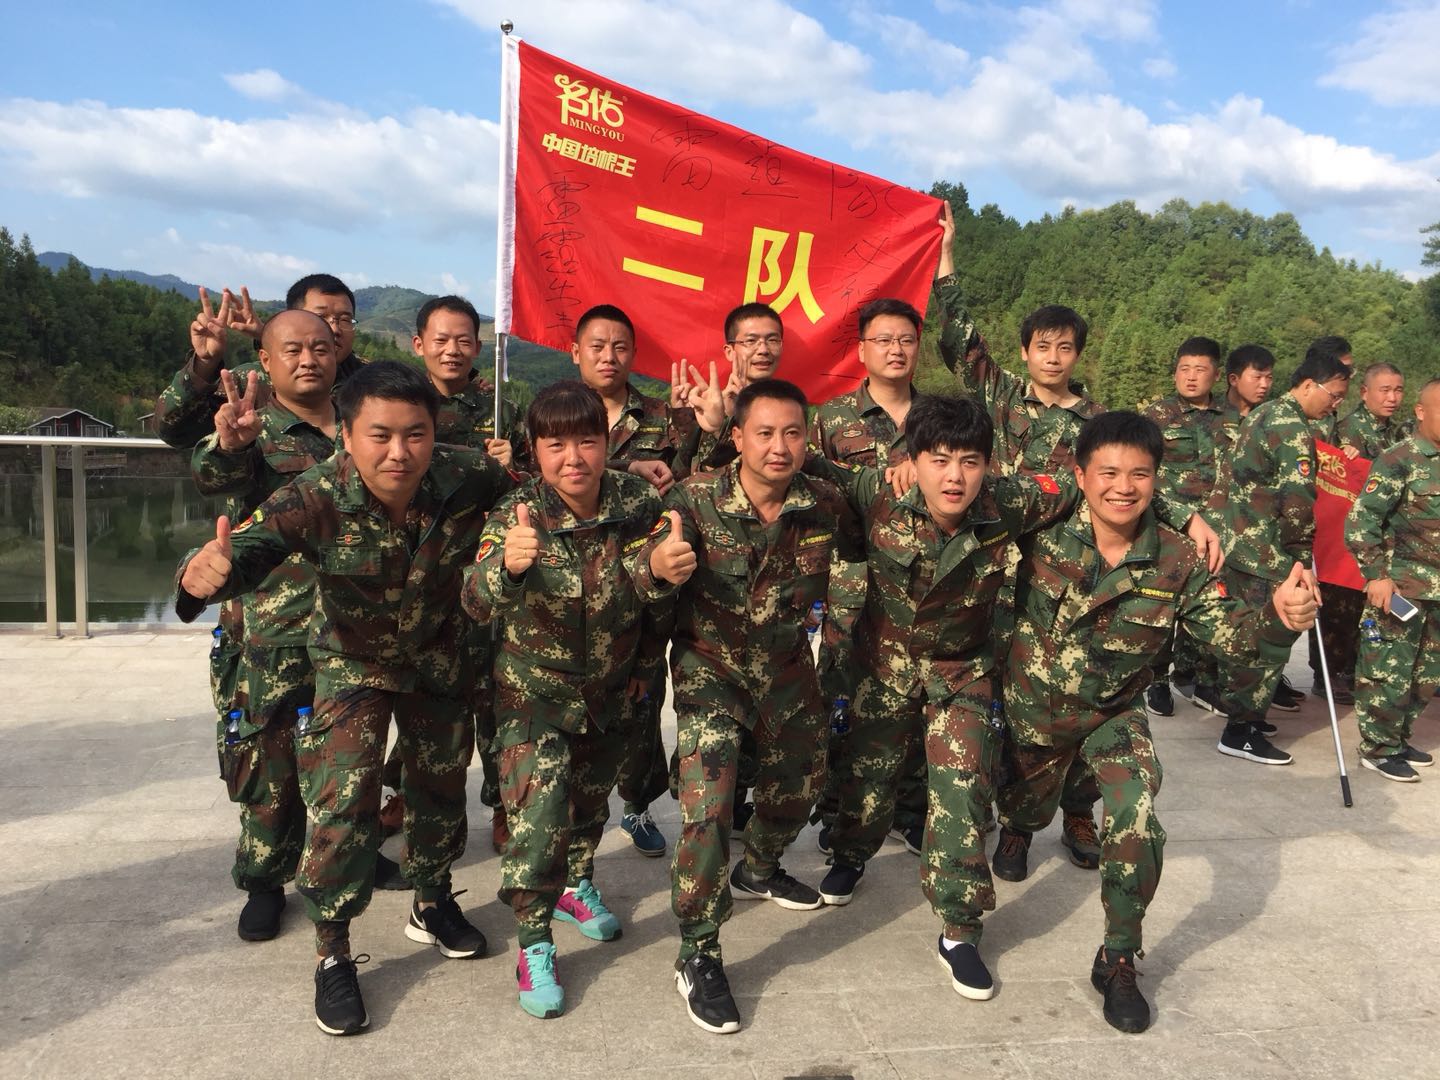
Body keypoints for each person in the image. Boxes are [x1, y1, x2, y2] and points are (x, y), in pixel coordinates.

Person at [174, 361, 514, 1037]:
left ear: (435, 432)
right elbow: (249, 549)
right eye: (380, 435)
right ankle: (332, 949)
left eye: (415, 434)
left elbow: (527, 505)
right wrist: (201, 575)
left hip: (440, 656)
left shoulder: (471, 474)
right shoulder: (316, 493)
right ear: (348, 437)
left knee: (439, 787)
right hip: (352, 661)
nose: (399, 452)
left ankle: (432, 899)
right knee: (342, 797)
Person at [996, 411, 1317, 1033]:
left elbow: (1234, 642)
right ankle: (1020, 825)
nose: (1123, 487)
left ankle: (1119, 956)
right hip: (1035, 710)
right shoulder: (1042, 529)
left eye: (1139, 475)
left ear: (1157, 480)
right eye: (1108, 473)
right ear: (1080, 476)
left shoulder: (1178, 558)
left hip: (1113, 713)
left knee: (1136, 813)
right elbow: (973, 497)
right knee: (1025, 804)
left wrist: (1279, 618)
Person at [636, 378, 861, 1035]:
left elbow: (874, 534)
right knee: (708, 811)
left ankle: (759, 867)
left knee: (802, 785)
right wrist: (656, 569)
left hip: (788, 672)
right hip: (711, 672)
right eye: (764, 432)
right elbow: (640, 575)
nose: (779, 446)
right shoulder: (692, 500)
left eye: (793, 433)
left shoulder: (825, 503)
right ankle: (698, 951)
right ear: (736, 437)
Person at [461, 381, 670, 1018]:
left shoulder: (636, 501)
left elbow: (657, 595)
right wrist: (508, 568)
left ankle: (576, 884)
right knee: (539, 819)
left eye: (586, 441)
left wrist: (644, 664)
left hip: (610, 691)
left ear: (607, 443)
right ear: (534, 450)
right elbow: (474, 599)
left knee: (587, 806)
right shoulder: (516, 513)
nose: (573, 458)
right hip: (533, 695)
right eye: (556, 445)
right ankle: (534, 942)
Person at [934, 201, 1107, 874]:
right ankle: (1014, 825)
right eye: (1043, 346)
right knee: (1004, 707)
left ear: (1077, 354)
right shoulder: (1002, 398)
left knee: (1076, 701)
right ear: (1026, 351)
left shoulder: (1096, 423)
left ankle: (1079, 812)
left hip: (1067, 585)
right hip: (997, 579)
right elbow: (961, 340)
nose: (1053, 357)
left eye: (1065, 348)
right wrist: (947, 260)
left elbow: (1130, 485)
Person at [190, 310, 341, 942]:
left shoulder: (362, 422)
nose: (308, 359)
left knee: (342, 761)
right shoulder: (253, 424)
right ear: (267, 360)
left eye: (320, 348)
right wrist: (230, 445)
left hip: (351, 624)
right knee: (267, 760)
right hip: (273, 626)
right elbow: (212, 475)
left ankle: (342, 861)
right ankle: (264, 880)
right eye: (293, 349)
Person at [375, 294, 525, 867]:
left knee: (491, 697)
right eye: (441, 339)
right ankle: (403, 794)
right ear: (419, 345)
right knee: (419, 697)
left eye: (464, 340)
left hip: (481, 569)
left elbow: (530, 487)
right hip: (415, 572)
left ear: (479, 347)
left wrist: (510, 464)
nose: (452, 350)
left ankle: (504, 804)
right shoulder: (402, 403)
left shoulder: (499, 407)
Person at [568, 303, 700, 857]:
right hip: (570, 584)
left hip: (645, 580)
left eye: (620, 346)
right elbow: (537, 477)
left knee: (642, 700)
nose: (609, 356)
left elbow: (690, 480)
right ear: (576, 352)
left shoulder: (662, 416)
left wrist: (698, 427)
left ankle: (637, 805)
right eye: (597, 346)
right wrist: (625, 469)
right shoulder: (557, 412)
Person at [807, 295, 927, 857]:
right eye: (883, 340)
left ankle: (911, 809)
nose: (895, 349)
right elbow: (811, 493)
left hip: (924, 587)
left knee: (917, 701)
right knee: (842, 701)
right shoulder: (831, 418)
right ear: (862, 350)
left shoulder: (937, 419)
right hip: (852, 584)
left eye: (905, 339)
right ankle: (837, 810)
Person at [1219, 349, 1353, 763]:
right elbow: (1297, 502)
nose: (1335, 405)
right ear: (1309, 385)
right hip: (1268, 552)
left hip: (1242, 543)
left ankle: (1247, 715)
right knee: (1268, 640)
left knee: (1248, 633)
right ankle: (1240, 730)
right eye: (1333, 395)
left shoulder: (1265, 412)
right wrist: (1301, 558)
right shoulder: (1292, 428)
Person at [1344, 377, 1440, 783]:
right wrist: (1376, 576)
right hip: (1401, 587)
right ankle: (1378, 747)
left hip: (1436, 591)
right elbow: (1362, 519)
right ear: (1420, 412)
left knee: (1426, 673)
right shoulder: (1398, 459)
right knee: (1387, 668)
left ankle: (1398, 737)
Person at [1140, 337, 1228, 718]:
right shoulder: (1157, 416)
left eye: (1200, 369)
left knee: (1211, 602)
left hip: (1218, 531)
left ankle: (1200, 678)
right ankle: (1156, 680)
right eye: (1184, 369)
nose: (1191, 377)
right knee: (1162, 603)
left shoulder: (1231, 417)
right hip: (1170, 526)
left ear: (1216, 375)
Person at [1321, 362, 1411, 705]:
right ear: (1364, 392)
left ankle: (1360, 670)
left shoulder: (1398, 433)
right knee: (1340, 607)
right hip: (1349, 533)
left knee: (1371, 608)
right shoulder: (1347, 429)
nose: (1392, 398)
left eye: (1398, 390)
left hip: (1386, 535)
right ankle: (1330, 673)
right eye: (1384, 390)